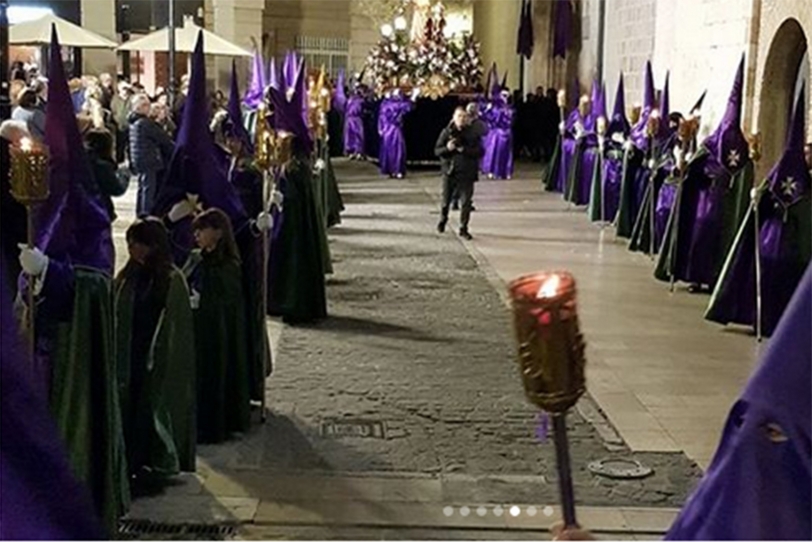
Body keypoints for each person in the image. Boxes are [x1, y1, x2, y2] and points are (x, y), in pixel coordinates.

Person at [704, 87, 811, 337]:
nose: (807, 156)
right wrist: (759, 197)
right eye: (805, 151)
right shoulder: (778, 175)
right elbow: (762, 199)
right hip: (770, 240)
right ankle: (761, 319)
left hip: (796, 248)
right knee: (767, 280)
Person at [115, 218, 196, 477]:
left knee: (150, 407)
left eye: (138, 244)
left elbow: (176, 328)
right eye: (130, 244)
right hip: (130, 352)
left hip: (153, 353)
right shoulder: (128, 276)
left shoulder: (171, 279)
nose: (132, 249)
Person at [183, 209, 251, 443]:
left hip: (216, 331)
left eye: (202, 230)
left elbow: (225, 301)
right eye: (196, 231)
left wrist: (203, 300)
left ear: (219, 233)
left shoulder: (228, 266)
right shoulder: (197, 258)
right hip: (197, 328)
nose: (197, 235)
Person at [436, 107, 483, 240]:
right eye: (459, 116)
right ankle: (443, 219)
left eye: (464, 116)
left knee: (466, 202)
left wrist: (465, 150)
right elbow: (437, 151)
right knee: (446, 201)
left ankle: (463, 228)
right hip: (450, 172)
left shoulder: (473, 133)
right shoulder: (446, 132)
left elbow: (480, 152)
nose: (461, 119)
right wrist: (447, 148)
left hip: (467, 173)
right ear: (454, 118)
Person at [129, 93, 175, 217]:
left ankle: (140, 213)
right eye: (147, 105)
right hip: (149, 160)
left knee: (142, 188)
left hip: (140, 159)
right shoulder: (145, 123)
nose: (149, 108)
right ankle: (146, 215)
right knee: (148, 190)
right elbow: (163, 138)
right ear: (140, 107)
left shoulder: (134, 121)